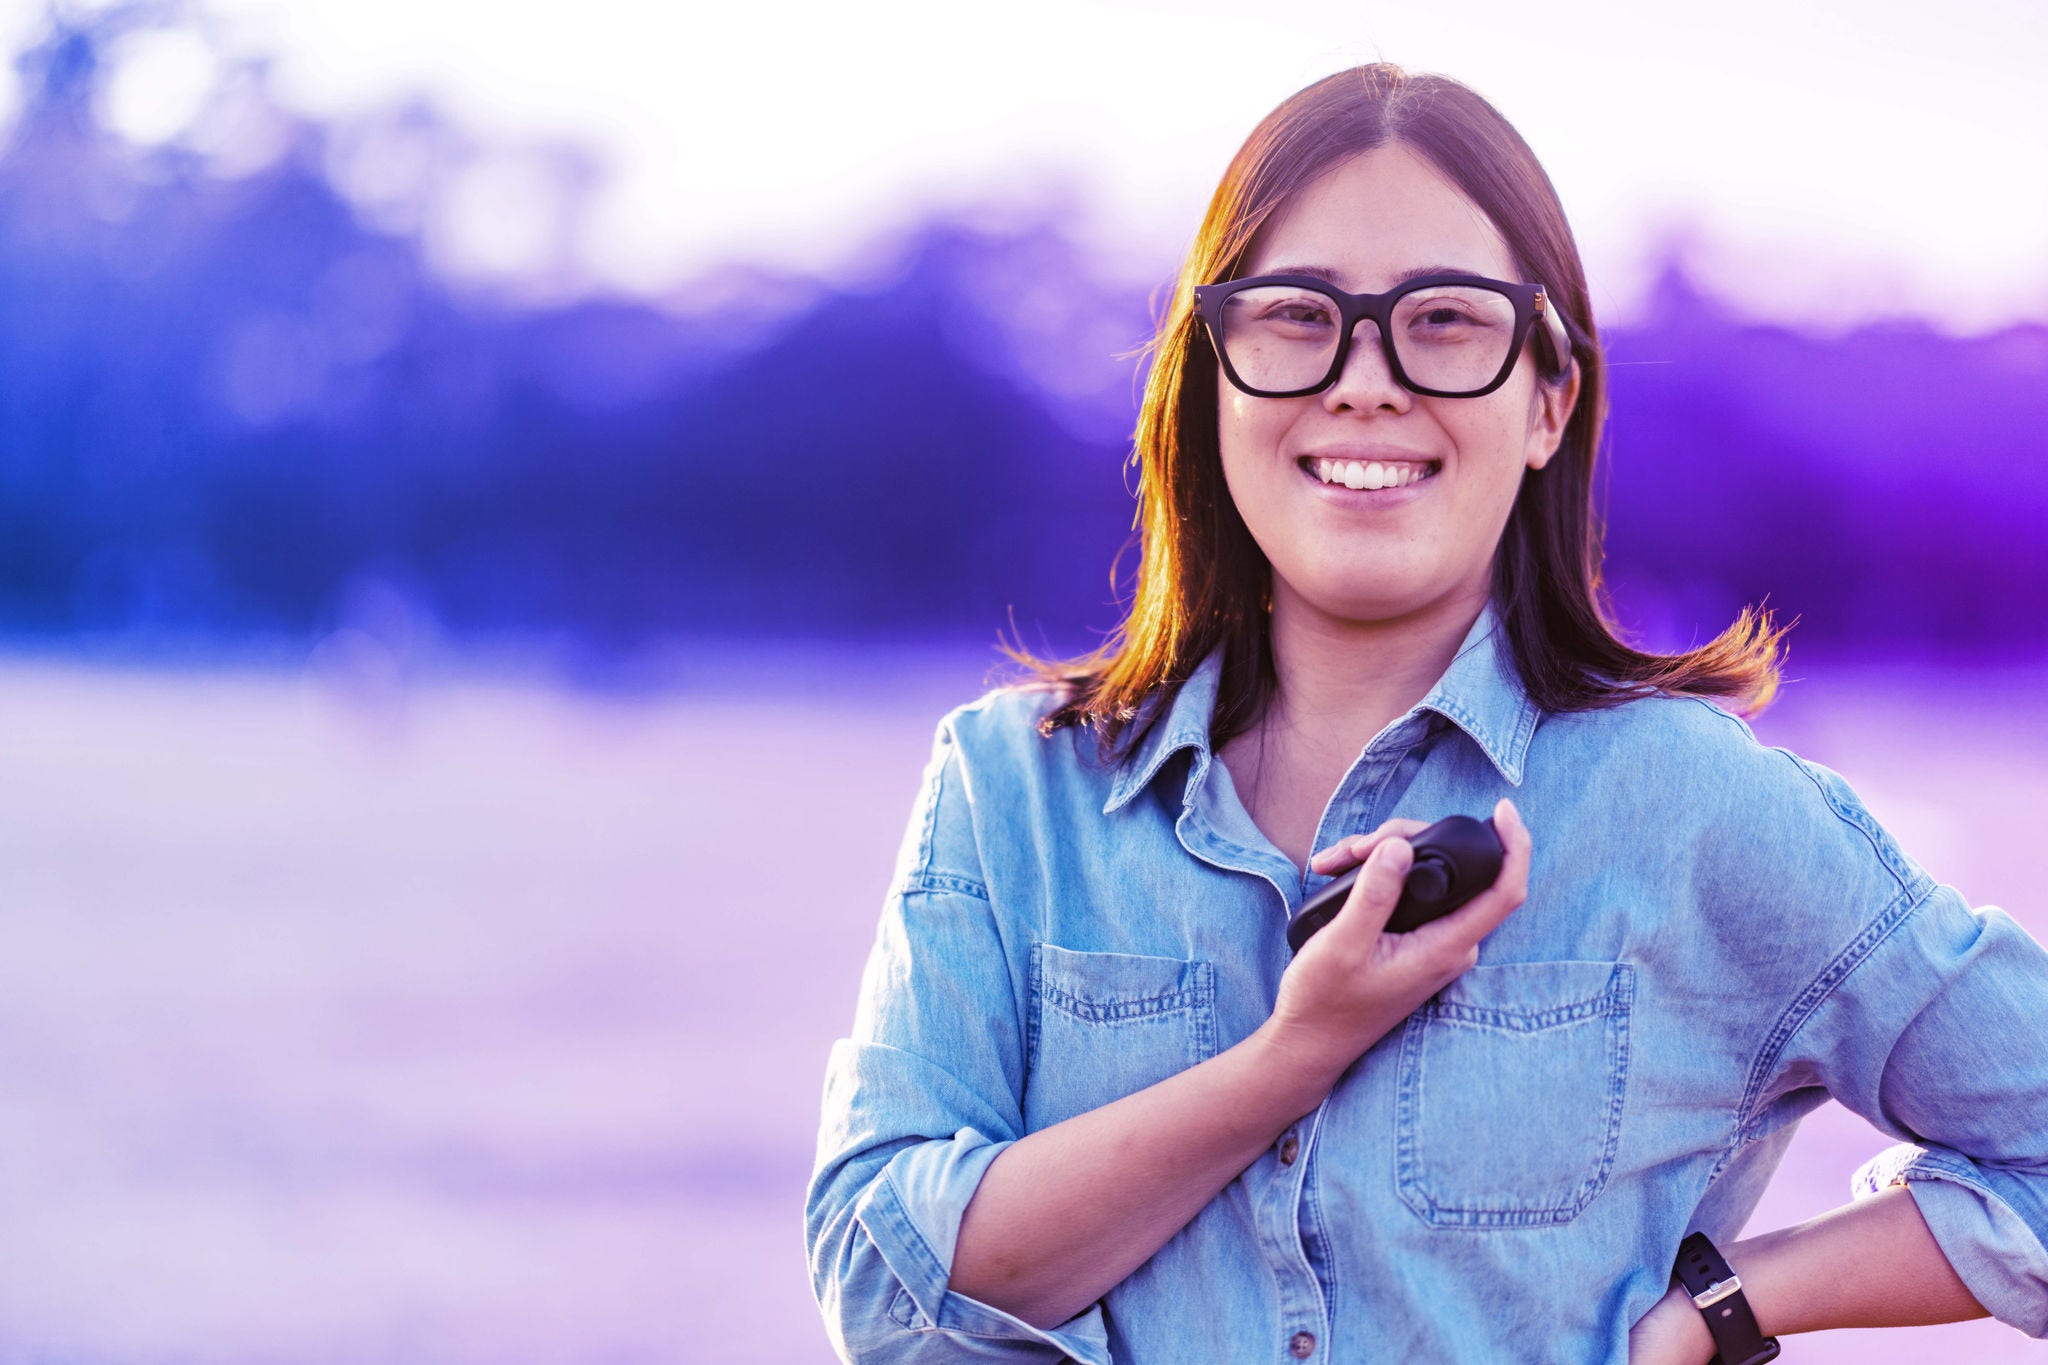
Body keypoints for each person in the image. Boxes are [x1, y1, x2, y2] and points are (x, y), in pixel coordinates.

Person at [804, 62, 2048, 1364]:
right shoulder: (1013, 790)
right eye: (1298, 316)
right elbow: (884, 1289)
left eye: (1445, 320)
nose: (1365, 381)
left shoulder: (1696, 802)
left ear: (1549, 397)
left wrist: (1731, 1305)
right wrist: (1294, 1054)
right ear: (1213, 374)